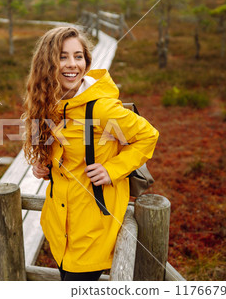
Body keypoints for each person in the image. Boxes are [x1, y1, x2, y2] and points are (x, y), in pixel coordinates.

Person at [21, 27, 159, 281]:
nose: (72, 64)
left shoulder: (102, 108)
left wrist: (111, 169)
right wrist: (45, 167)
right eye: (62, 57)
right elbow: (66, 155)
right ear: (46, 64)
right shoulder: (49, 102)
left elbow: (148, 135)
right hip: (60, 222)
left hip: (91, 226)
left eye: (78, 56)